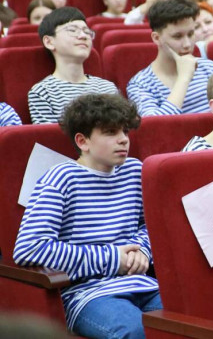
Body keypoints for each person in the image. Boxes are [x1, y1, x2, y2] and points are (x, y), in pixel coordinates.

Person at [13, 93, 161, 338]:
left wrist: (142, 251)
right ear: (83, 141)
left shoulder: (135, 171)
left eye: (125, 131)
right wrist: (113, 259)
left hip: (142, 283)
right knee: (134, 331)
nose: (123, 139)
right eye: (111, 132)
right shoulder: (61, 179)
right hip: (87, 294)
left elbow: (152, 227)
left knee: (189, 320)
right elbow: (30, 248)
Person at [127, 0, 213, 116]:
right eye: (177, 36)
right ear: (157, 38)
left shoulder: (209, 68)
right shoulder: (140, 84)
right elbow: (155, 125)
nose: (187, 44)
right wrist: (184, 78)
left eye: (191, 34)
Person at [28, 7, 118, 124]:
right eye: (72, 30)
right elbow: (48, 135)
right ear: (49, 42)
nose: (83, 36)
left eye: (87, 31)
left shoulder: (108, 88)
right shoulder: (43, 92)